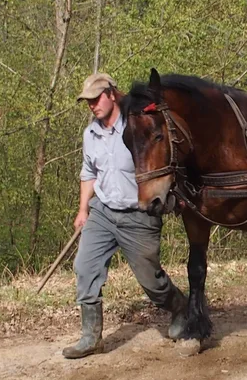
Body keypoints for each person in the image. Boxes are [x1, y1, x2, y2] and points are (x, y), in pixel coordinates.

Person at [64, 72, 188, 359]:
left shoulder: (137, 125)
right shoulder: (90, 134)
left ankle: (180, 307)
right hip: (103, 213)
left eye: (96, 98)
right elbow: (89, 174)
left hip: (138, 216)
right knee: (84, 267)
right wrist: (83, 210)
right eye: (88, 101)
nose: (92, 105)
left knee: (152, 284)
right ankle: (90, 336)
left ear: (112, 94)